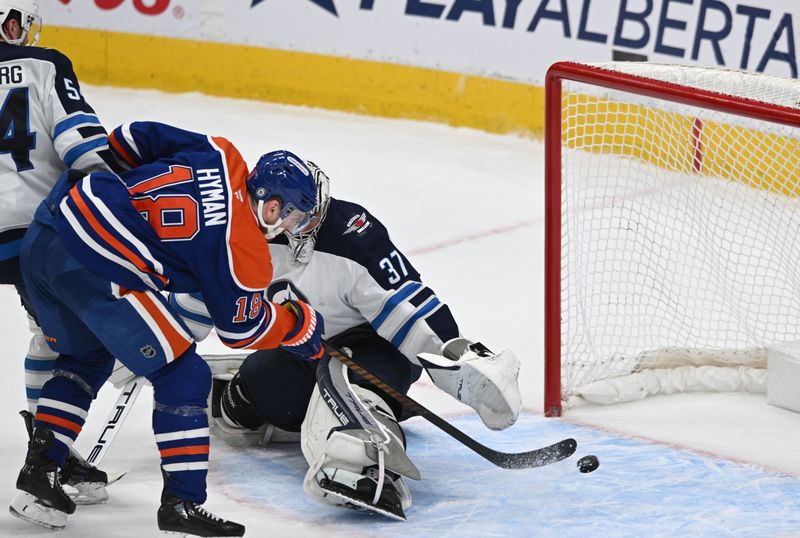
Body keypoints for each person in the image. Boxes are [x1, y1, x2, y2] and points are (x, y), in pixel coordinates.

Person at [10, 122, 325, 536]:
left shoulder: (220, 153)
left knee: (85, 358)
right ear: (272, 205)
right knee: (184, 374)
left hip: (47, 231)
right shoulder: (243, 250)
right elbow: (242, 329)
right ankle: (182, 504)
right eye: (294, 215)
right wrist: (297, 326)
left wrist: (126, 200)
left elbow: (132, 137)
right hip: (96, 261)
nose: (290, 226)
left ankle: (40, 473)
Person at [169, 152, 522, 521]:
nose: (313, 221)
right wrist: (156, 337)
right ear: (269, 211)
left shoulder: (351, 234)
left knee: (347, 386)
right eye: (300, 215)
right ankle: (283, 410)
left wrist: (454, 353)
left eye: (315, 210)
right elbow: (203, 296)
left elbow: (404, 302)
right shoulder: (237, 237)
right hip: (302, 346)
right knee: (249, 393)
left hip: (374, 350)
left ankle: (369, 463)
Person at [0, 0, 122, 504]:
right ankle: (48, 449)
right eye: (20, 22)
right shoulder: (45, 64)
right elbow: (83, 147)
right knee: (69, 343)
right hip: (33, 236)